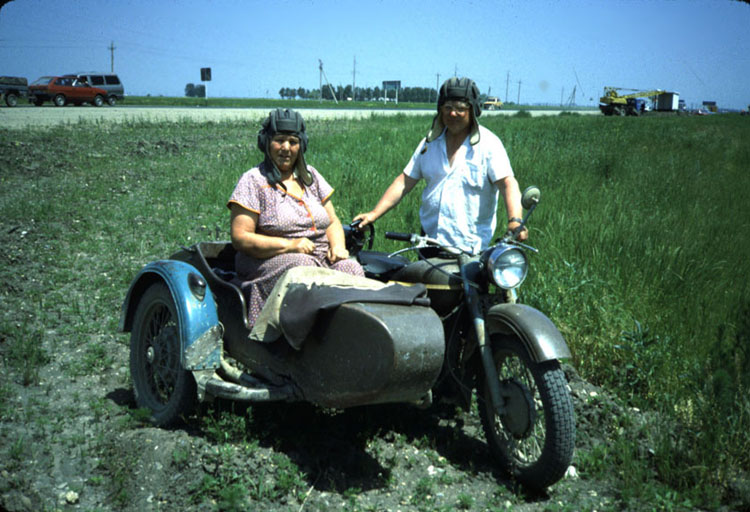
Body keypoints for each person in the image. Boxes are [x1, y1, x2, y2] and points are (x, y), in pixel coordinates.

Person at [354, 77, 527, 255]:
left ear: (473, 110)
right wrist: (374, 214)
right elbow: (404, 181)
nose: (453, 114)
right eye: (448, 108)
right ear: (440, 109)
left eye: (460, 108)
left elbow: (508, 183)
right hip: (429, 243)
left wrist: (515, 220)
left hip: (470, 248)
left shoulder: (489, 145)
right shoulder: (429, 144)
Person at [228, 108, 364, 326]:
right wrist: (290, 245)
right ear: (265, 142)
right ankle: (289, 344)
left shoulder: (311, 176)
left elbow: (332, 221)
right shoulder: (253, 180)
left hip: (318, 257)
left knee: (352, 269)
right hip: (266, 260)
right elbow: (241, 237)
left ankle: (342, 336)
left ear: (302, 144)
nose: (286, 148)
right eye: (279, 141)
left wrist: (338, 247)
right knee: (303, 269)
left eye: (293, 142)